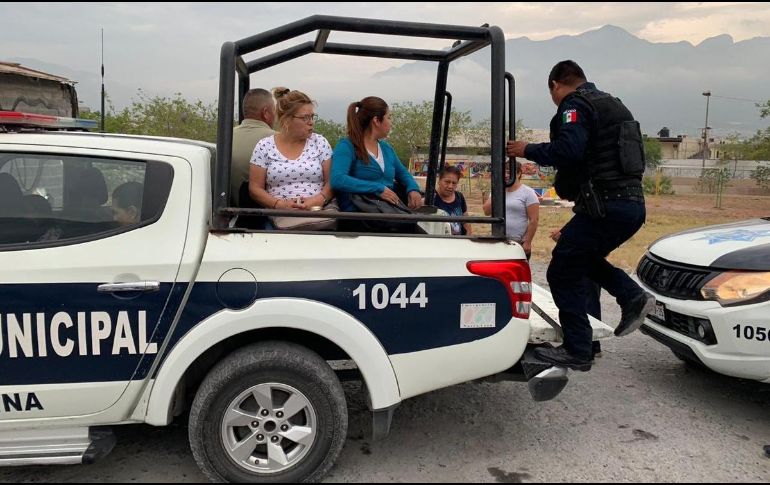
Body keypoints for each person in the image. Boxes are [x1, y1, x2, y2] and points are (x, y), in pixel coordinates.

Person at [506, 60, 654, 370]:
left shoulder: (575, 103)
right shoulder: (613, 104)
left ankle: (577, 349)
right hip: (630, 206)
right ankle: (630, 297)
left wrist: (526, 149)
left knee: (561, 270)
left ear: (556, 85)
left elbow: (568, 150)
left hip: (606, 207)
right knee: (580, 259)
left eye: (553, 93)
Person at [248, 87, 335, 230]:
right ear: (287, 119)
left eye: (312, 117)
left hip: (318, 215)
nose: (311, 122)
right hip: (279, 218)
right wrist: (280, 205)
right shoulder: (264, 146)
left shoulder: (320, 143)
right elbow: (255, 188)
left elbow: (331, 182)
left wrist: (318, 199)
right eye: (305, 118)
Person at [331, 96, 423, 217]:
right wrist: (378, 188)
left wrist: (413, 189)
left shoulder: (387, 149)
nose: (391, 123)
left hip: (386, 211)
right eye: (389, 117)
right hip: (360, 213)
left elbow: (403, 174)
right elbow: (338, 179)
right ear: (376, 120)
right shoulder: (347, 146)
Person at [483, 161, 539, 257]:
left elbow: (534, 219)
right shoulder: (497, 190)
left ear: (518, 174)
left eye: (509, 172)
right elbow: (486, 211)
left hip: (517, 242)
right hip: (498, 241)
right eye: (504, 172)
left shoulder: (528, 192)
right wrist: (497, 190)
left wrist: (528, 242)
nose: (506, 175)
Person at [231, 88, 276, 206]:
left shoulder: (226, 137)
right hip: (266, 215)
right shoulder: (277, 140)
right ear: (266, 113)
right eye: (274, 111)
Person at [434, 165, 472, 236]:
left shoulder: (459, 197)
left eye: (454, 183)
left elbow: (467, 224)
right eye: (447, 182)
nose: (450, 186)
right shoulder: (431, 198)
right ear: (439, 181)